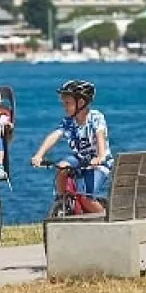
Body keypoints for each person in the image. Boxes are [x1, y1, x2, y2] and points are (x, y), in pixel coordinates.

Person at [30, 79, 110, 215]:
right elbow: (55, 135)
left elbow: (99, 135)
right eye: (63, 103)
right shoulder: (69, 122)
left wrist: (100, 156)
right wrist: (39, 154)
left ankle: (105, 217)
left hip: (99, 163)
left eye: (67, 103)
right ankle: (62, 200)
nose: (64, 107)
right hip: (80, 158)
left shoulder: (95, 117)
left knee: (85, 198)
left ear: (81, 102)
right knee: (62, 167)